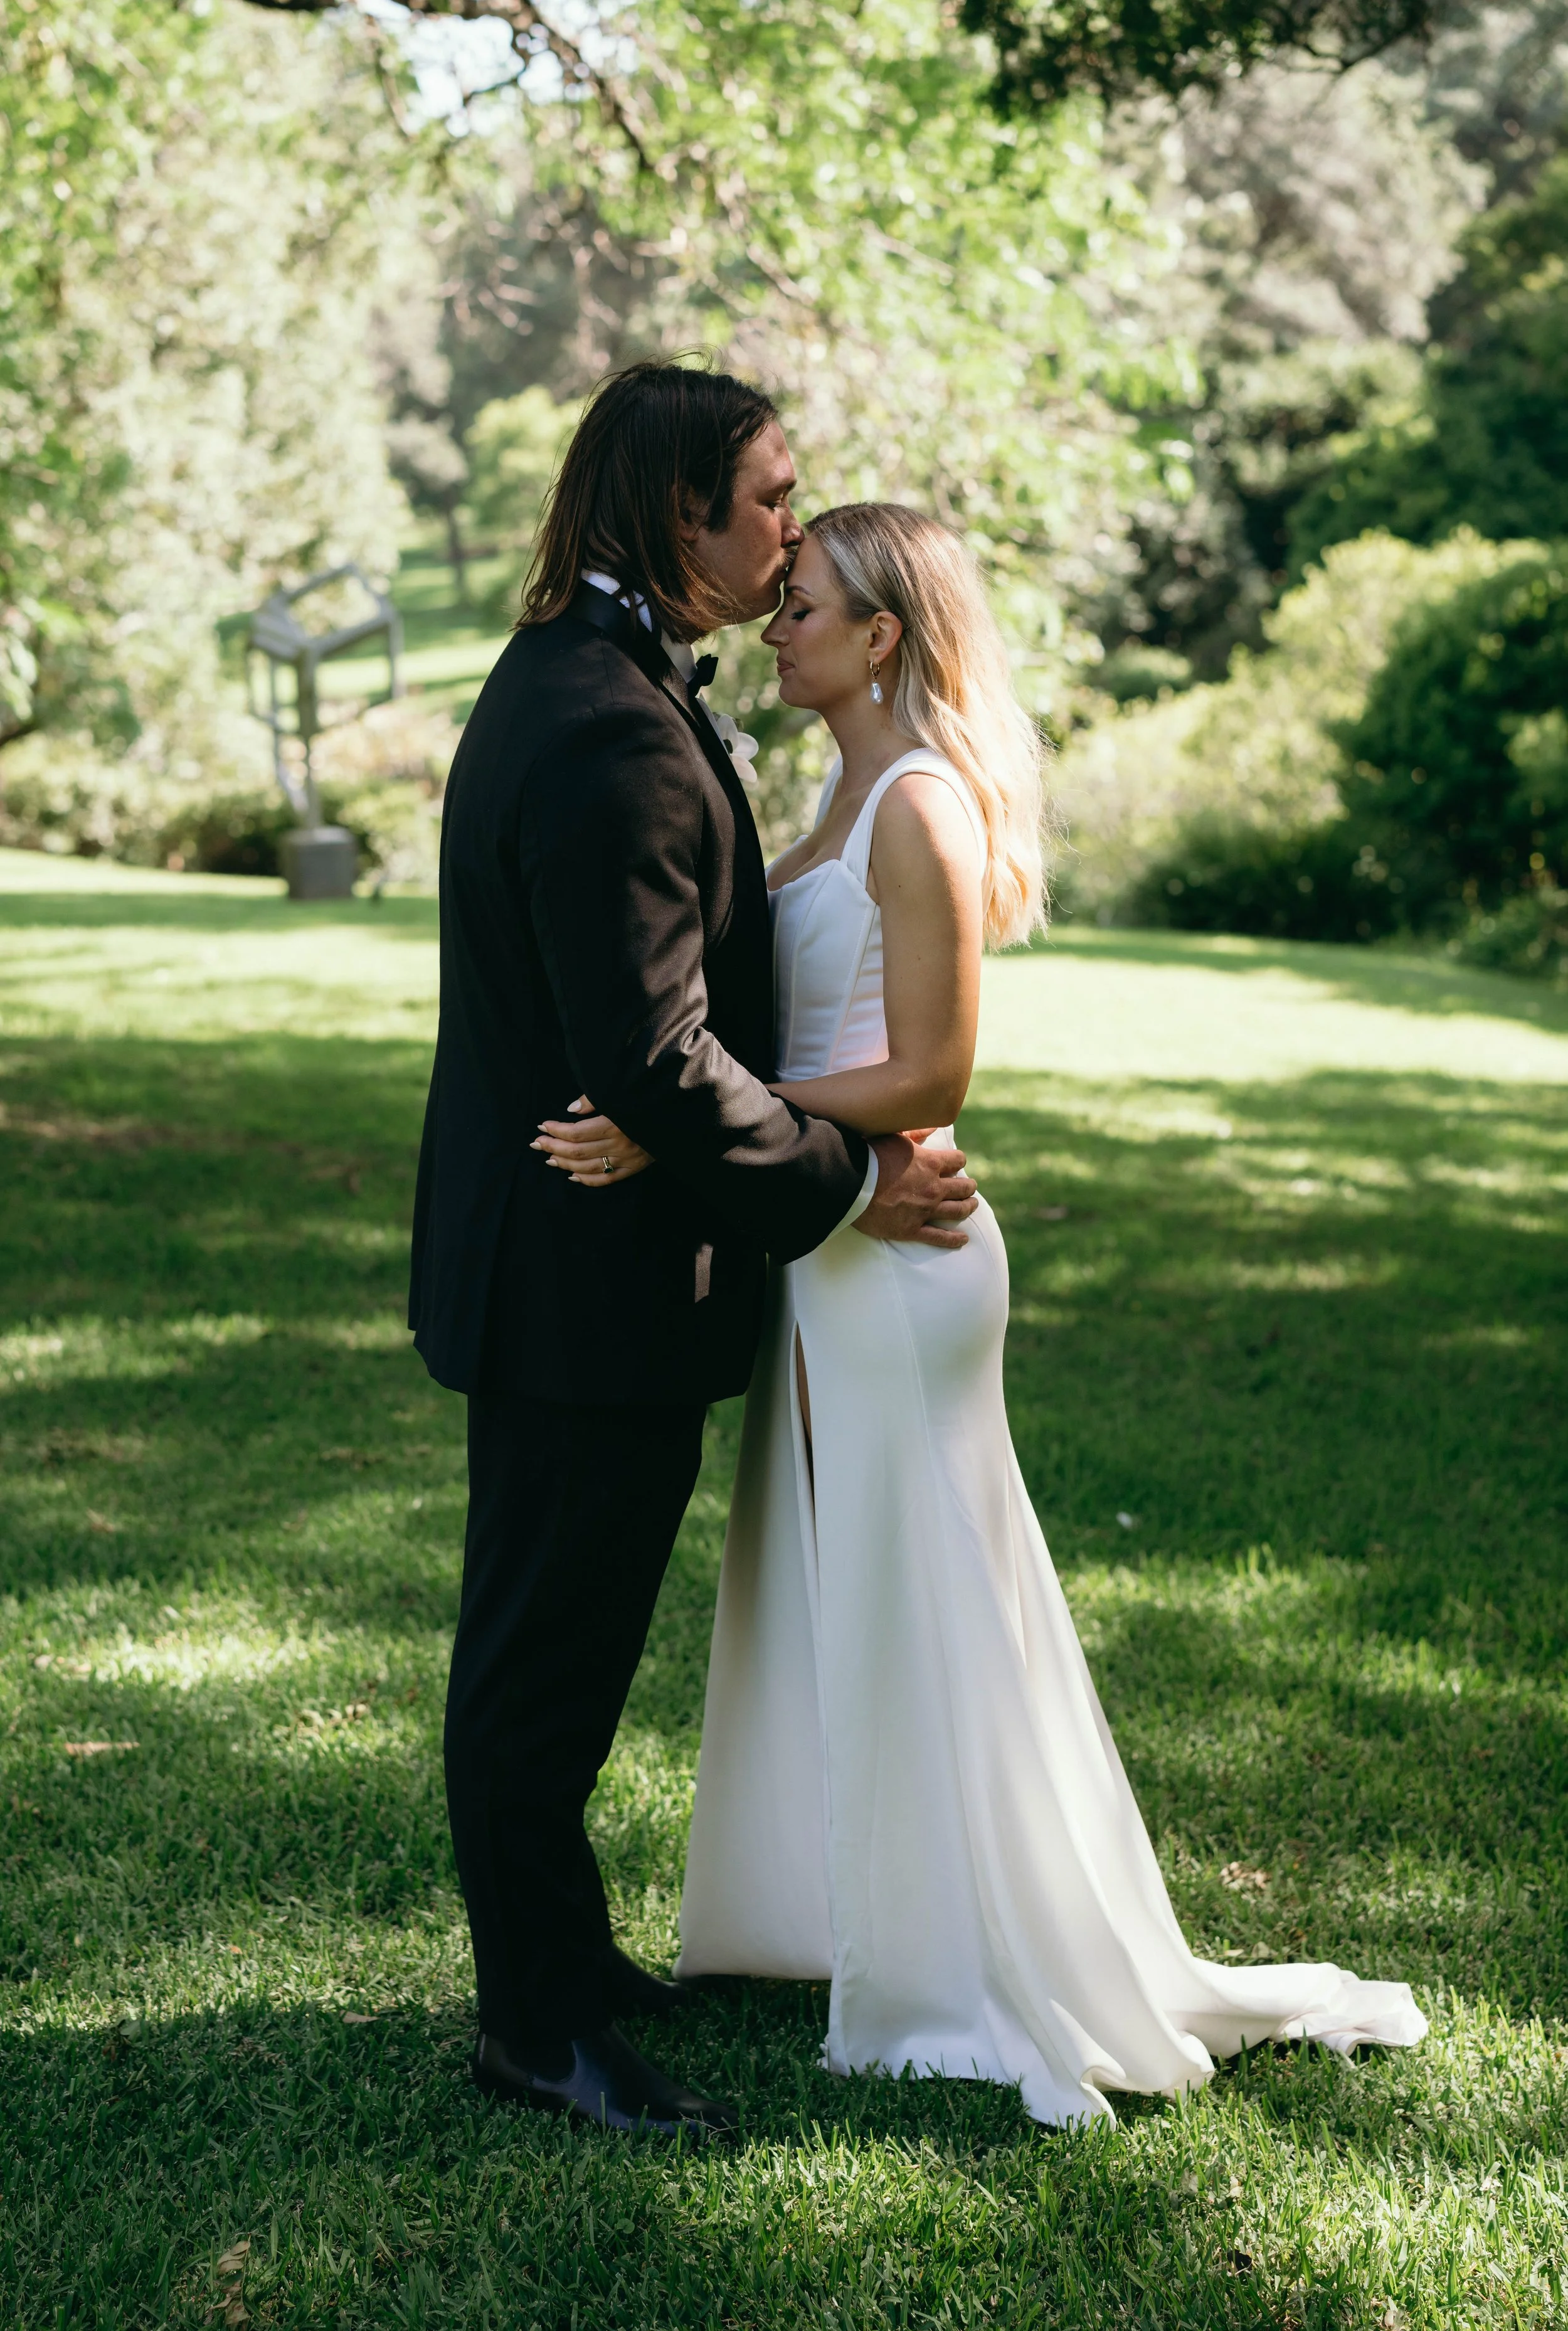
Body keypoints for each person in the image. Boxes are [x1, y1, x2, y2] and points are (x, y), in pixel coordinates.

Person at [573, 502, 1428, 2129]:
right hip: (832, 1231)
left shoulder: (919, 807)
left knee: (921, 1585)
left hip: (902, 1260)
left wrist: (692, 1123)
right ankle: (853, 1912)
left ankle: (965, 1955)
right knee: (848, 1581)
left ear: (881, 634)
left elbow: (935, 1073)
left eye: (807, 604)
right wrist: (766, 1147)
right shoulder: (832, 791)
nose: (779, 623)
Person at [408, 368, 978, 2143]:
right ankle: (535, 2028)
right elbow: (652, 1058)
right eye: (762, 500)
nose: (784, 530)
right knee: (538, 1671)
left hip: (587, 1270)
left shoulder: (602, 683)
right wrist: (843, 1176)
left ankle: (565, 1964)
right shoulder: (609, 726)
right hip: (586, 1287)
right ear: (674, 514)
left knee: (558, 1657)